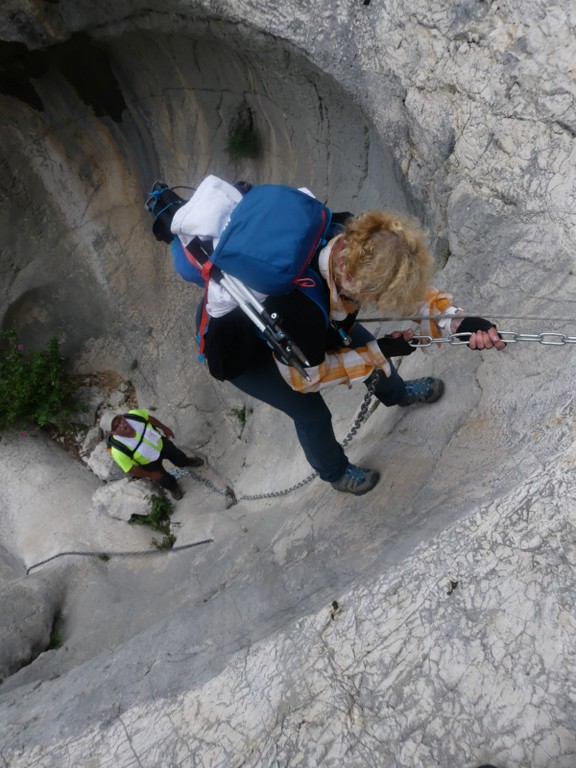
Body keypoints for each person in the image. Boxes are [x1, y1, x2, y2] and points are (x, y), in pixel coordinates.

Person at [101, 409, 204, 500]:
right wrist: (150, 475)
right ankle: (173, 488)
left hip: (161, 444)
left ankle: (187, 462)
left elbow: (149, 419)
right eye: (116, 426)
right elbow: (130, 469)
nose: (122, 425)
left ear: (121, 416)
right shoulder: (118, 451)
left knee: (179, 457)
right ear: (112, 433)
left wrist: (164, 428)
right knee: (163, 480)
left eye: (120, 420)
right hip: (149, 463)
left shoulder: (134, 415)